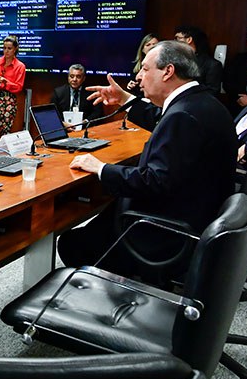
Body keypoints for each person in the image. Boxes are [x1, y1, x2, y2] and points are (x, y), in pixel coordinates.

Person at [59, 41, 237, 280]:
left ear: (168, 71)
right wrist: (125, 99)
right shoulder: (201, 103)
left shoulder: (183, 115)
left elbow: (155, 180)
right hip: (195, 215)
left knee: (71, 243)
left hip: (165, 231)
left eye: (144, 68)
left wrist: (101, 168)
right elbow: (159, 118)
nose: (138, 76)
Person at [0, 35, 26, 141]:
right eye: (4, 48)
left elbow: (18, 87)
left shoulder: (20, 66)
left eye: (9, 48)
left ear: (15, 49)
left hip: (8, 100)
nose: (6, 51)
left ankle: (1, 155)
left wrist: (5, 82)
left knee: (5, 132)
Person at [173, 25, 221, 96]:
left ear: (189, 40)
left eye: (178, 38)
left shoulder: (212, 64)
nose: (174, 42)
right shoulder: (174, 60)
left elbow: (212, 92)